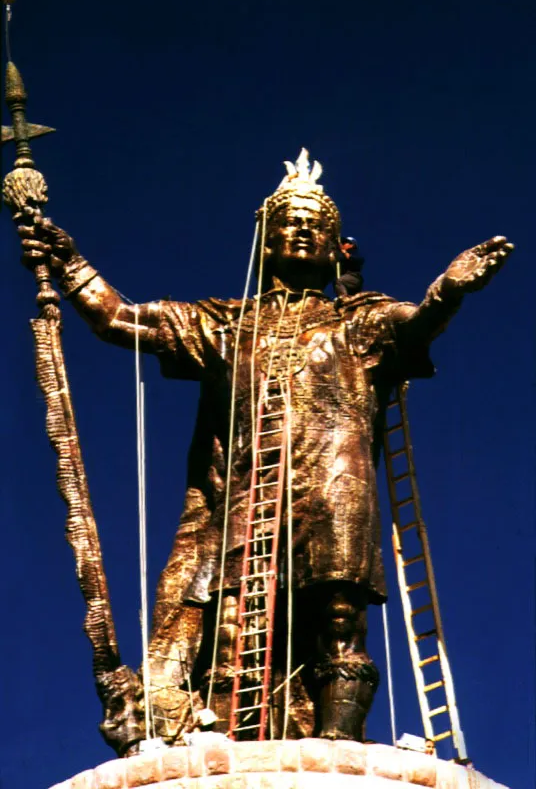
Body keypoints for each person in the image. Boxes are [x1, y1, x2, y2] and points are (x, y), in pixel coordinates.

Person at [18, 149, 513, 753]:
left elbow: (414, 326)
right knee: (230, 623)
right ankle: (225, 729)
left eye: (316, 222)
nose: (301, 228)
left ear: (336, 247)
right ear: (264, 236)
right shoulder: (223, 326)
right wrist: (68, 264)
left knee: (339, 616)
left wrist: (447, 293)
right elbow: (122, 319)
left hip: (334, 486)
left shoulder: (358, 321)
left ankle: (338, 744)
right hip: (243, 499)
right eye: (288, 219)